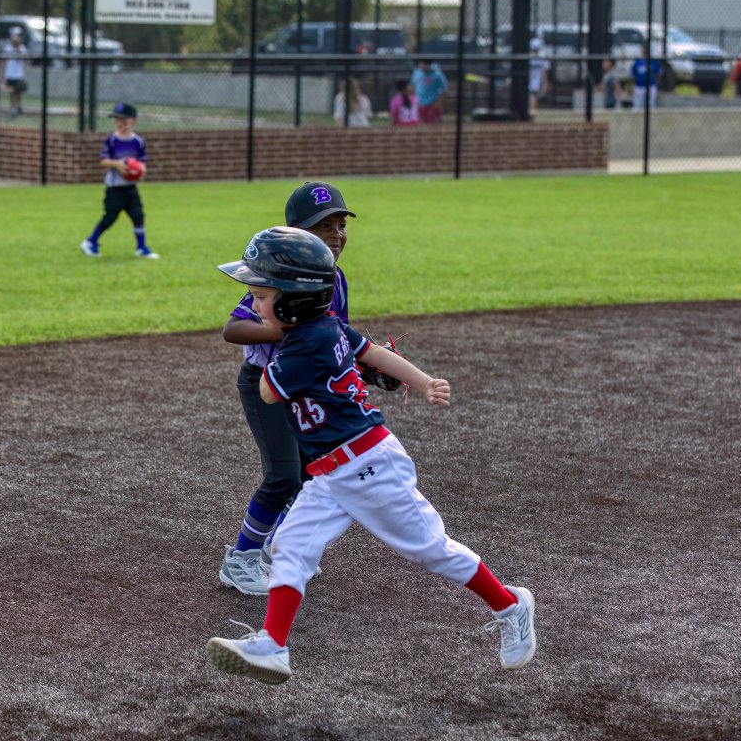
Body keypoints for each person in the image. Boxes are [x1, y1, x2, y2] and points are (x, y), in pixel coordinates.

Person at [206, 227, 537, 684]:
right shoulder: (324, 327)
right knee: (292, 546)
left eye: (261, 296)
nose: (255, 306)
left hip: (368, 466)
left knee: (433, 551)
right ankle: (272, 646)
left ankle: (511, 604)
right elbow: (374, 353)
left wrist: (277, 335)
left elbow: (266, 391)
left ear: (294, 302)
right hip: (330, 472)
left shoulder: (305, 342)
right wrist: (422, 381)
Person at [218, 182, 355, 595]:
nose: (335, 235)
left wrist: (361, 363)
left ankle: (281, 550)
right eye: (322, 226)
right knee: (282, 476)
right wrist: (285, 329)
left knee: (311, 474)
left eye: (340, 225)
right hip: (265, 384)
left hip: (305, 388)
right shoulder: (281, 279)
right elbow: (233, 328)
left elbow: (335, 335)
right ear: (297, 235)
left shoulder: (335, 279)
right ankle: (241, 560)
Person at [79, 102, 158, 260]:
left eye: (123, 120)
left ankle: (141, 247)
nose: (119, 123)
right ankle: (90, 242)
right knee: (110, 217)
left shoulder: (138, 141)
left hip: (131, 187)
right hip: (115, 188)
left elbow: (142, 162)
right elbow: (103, 160)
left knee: (138, 216)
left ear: (133, 121)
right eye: (116, 120)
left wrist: (140, 170)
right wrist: (118, 164)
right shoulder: (112, 140)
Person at [1, 28, 27, 120]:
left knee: (18, 92)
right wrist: (2, 70)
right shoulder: (7, 48)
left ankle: (18, 106)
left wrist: (17, 44)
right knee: (11, 92)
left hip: (18, 74)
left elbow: (20, 57)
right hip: (9, 74)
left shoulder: (22, 48)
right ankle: (12, 109)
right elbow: (4, 60)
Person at [411, 59, 448, 123]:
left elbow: (444, 89)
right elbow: (412, 86)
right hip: (420, 105)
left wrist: (438, 102)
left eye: (425, 64)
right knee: (420, 125)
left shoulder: (437, 75)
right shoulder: (416, 73)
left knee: (434, 126)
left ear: (430, 65)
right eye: (421, 64)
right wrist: (415, 101)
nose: (423, 66)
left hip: (432, 105)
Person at [528, 37, 551, 115]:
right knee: (532, 96)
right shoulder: (534, 57)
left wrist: (545, 84)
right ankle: (531, 115)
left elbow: (544, 73)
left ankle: (531, 114)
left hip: (536, 81)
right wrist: (545, 83)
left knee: (533, 96)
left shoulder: (541, 57)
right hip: (532, 81)